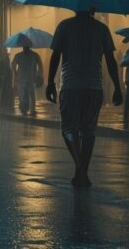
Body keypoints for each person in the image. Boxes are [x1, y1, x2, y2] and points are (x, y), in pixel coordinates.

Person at [46, 10, 122, 188]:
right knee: (88, 131)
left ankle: (80, 168)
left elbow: (55, 55)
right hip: (94, 87)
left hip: (71, 86)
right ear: (93, 9)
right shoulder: (101, 29)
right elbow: (110, 59)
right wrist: (117, 86)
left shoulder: (64, 26)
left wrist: (50, 82)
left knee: (68, 129)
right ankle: (82, 174)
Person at [13, 44, 43, 116]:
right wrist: (39, 75)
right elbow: (40, 65)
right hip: (31, 78)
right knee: (32, 95)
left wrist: (16, 73)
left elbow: (13, 65)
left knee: (23, 95)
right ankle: (32, 111)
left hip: (21, 78)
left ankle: (24, 110)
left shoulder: (18, 55)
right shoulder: (35, 55)